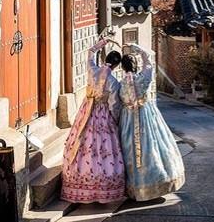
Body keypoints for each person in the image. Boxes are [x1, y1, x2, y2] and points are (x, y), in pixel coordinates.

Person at [61, 36, 125, 204]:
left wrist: (103, 42)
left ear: (105, 60)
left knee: (82, 144)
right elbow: (114, 105)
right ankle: (102, 187)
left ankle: (79, 184)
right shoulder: (113, 82)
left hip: (86, 112)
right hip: (103, 115)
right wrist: (115, 121)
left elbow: (89, 52)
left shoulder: (92, 70)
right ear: (117, 65)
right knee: (103, 148)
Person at [118, 43, 185, 201]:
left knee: (130, 151)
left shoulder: (121, 84)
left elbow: (116, 102)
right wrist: (136, 48)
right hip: (146, 116)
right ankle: (155, 183)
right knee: (152, 146)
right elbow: (148, 60)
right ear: (136, 66)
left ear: (122, 67)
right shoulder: (144, 78)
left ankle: (134, 188)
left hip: (128, 119)